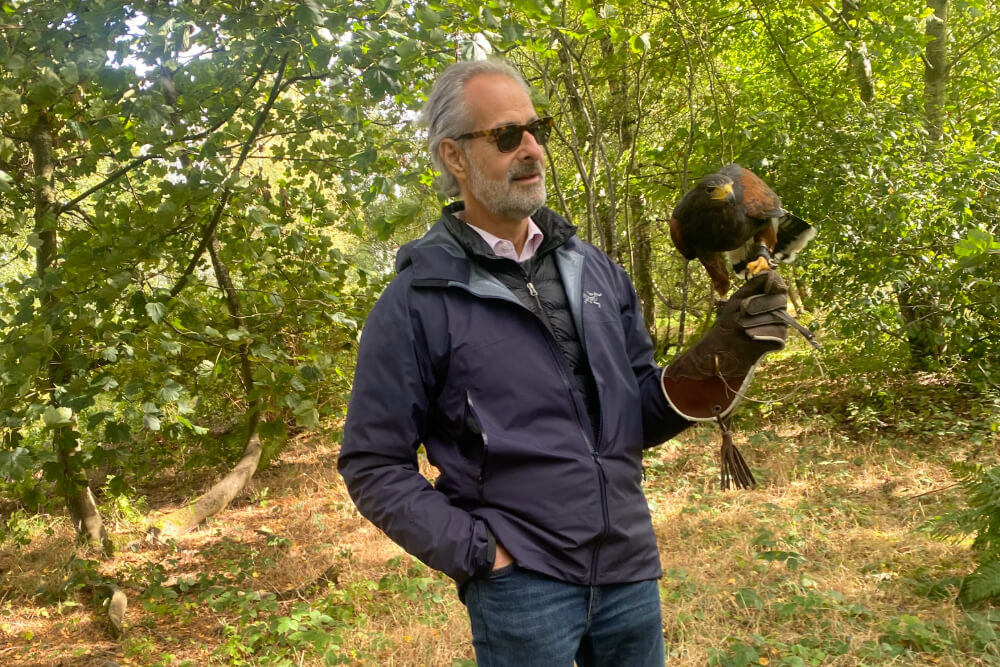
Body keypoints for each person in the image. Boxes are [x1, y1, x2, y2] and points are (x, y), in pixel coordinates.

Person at [338, 58, 790, 666]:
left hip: (628, 567)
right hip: (523, 584)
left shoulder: (594, 268)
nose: (531, 149)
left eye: (536, 129)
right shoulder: (418, 301)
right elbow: (373, 464)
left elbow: (636, 412)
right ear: (454, 158)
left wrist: (725, 357)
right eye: (505, 136)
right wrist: (481, 553)